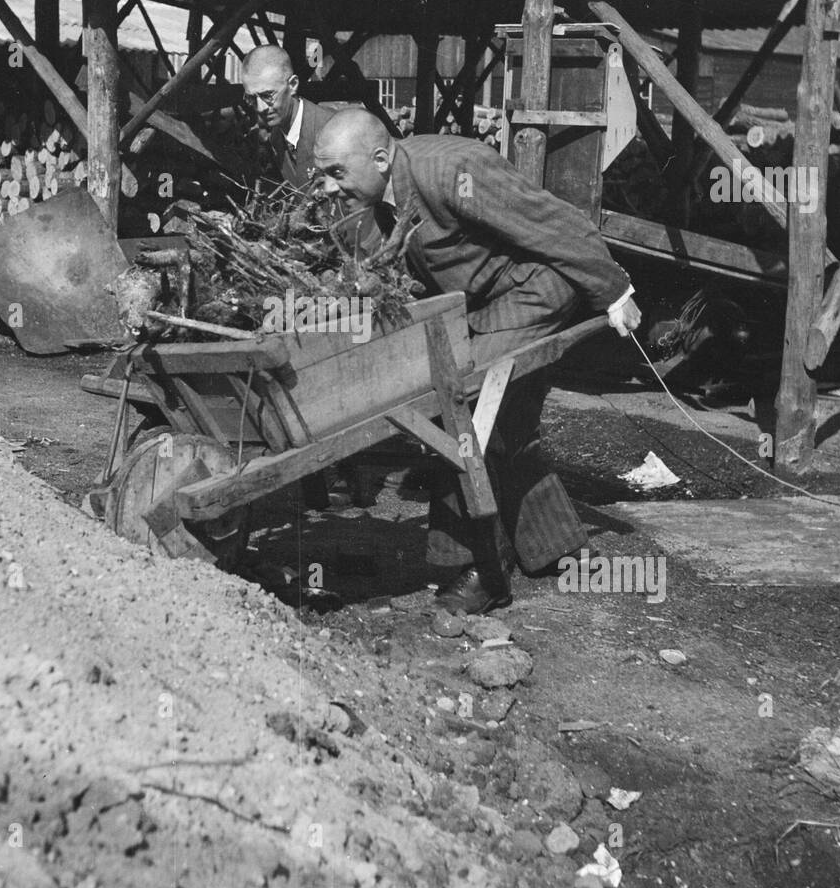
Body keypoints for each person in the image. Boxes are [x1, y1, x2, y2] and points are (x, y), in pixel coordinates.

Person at [311, 109, 642, 615]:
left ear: (380, 159)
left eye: (337, 172)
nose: (329, 187)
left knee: (459, 402)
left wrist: (614, 291)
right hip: (482, 305)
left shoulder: (453, 169)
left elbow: (553, 223)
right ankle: (555, 548)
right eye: (322, 174)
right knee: (509, 420)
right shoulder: (378, 197)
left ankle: (481, 571)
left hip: (536, 290)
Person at [241, 45, 334, 189]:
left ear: (293, 85)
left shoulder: (333, 131)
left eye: (268, 96)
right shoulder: (276, 137)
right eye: (252, 98)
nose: (260, 108)